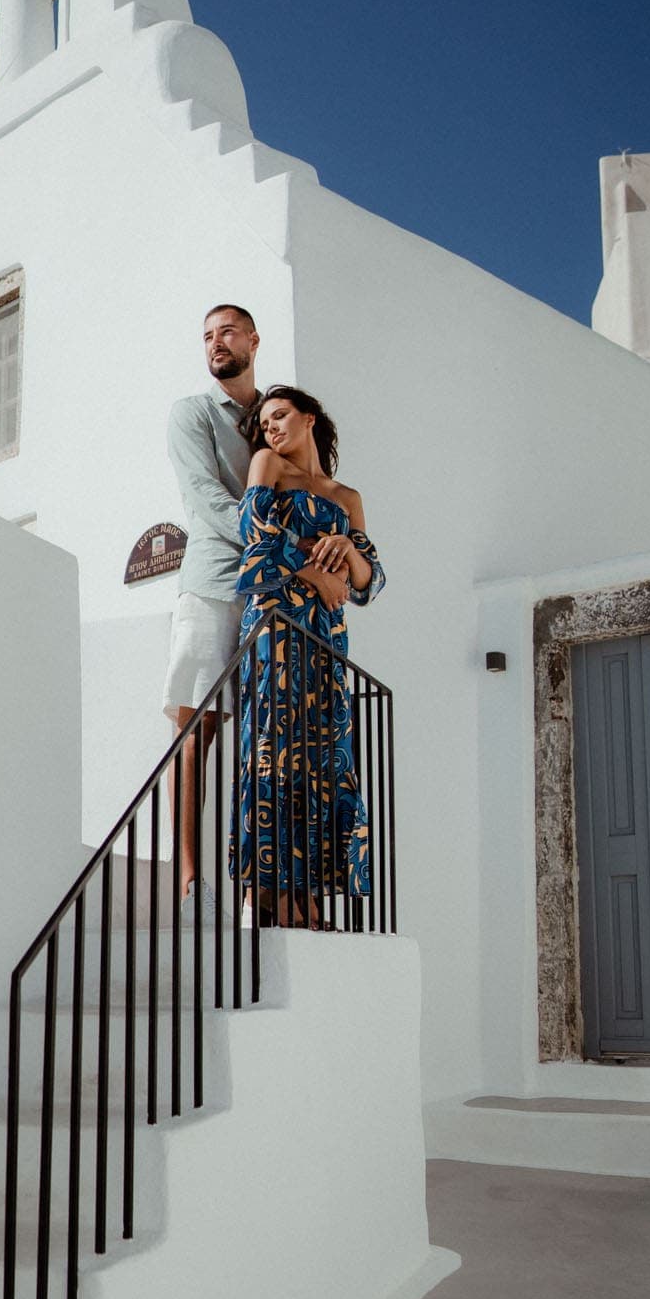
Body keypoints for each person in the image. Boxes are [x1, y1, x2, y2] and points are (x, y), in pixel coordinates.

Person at [233, 385, 385, 925]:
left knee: (321, 755)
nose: (271, 428)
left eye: (280, 416)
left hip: (326, 638)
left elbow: (369, 582)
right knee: (273, 749)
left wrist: (346, 551)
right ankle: (267, 893)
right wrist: (312, 567)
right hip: (275, 625)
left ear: (310, 418)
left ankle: (308, 894)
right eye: (264, 422)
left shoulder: (348, 498)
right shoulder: (267, 464)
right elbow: (252, 537)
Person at [161, 304, 264, 908]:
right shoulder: (193, 413)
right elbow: (202, 496)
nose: (215, 343)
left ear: (253, 338)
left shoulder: (273, 417)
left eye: (226, 331)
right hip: (212, 585)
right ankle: (188, 874)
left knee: (258, 731)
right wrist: (274, 543)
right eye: (206, 335)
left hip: (268, 596)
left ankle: (258, 877)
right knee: (195, 728)